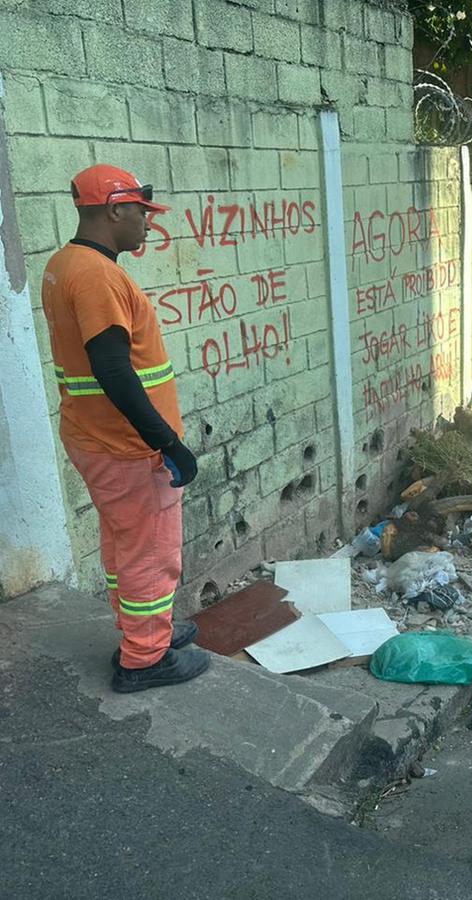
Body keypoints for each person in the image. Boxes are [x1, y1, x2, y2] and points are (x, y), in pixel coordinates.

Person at [41, 164, 209, 693]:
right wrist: (168, 442)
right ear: (116, 210)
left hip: (93, 437)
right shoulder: (96, 276)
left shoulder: (64, 264)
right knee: (152, 552)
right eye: (141, 211)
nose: (147, 223)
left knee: (123, 544)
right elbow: (113, 368)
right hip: (128, 448)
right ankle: (144, 659)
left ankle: (142, 630)